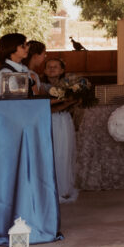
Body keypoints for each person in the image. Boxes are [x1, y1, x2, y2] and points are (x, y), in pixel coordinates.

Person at [41, 56, 79, 203]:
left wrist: (71, 101)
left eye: (55, 66)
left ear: (62, 70)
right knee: (49, 153)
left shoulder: (70, 85)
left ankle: (63, 187)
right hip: (46, 120)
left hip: (63, 120)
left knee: (63, 151)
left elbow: (75, 102)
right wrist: (63, 103)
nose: (51, 69)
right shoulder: (40, 85)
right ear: (44, 70)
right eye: (48, 66)